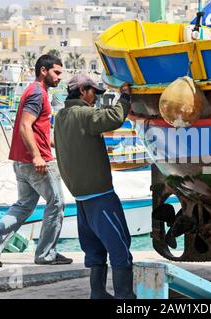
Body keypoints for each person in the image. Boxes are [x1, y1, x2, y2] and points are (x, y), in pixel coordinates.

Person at [0, 55, 72, 267]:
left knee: (24, 205)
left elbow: (36, 128)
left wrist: (56, 144)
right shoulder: (38, 93)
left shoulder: (35, 92)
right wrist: (38, 155)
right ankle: (46, 254)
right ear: (44, 71)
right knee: (56, 203)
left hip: (21, 161)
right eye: (56, 72)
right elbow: (25, 125)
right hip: (35, 162)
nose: (59, 77)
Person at [54, 74, 136, 299]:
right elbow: (114, 117)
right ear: (82, 90)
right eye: (94, 93)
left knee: (95, 251)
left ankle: (98, 294)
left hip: (81, 198)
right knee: (120, 249)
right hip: (101, 197)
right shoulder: (84, 114)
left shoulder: (60, 116)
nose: (96, 98)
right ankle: (125, 298)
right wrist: (125, 97)